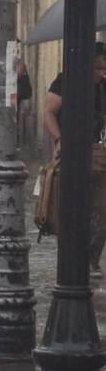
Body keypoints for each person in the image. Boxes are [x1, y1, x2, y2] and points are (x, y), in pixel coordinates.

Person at [42, 43, 106, 275]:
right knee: (70, 206)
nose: (102, 73)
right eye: (98, 68)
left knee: (102, 207)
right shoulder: (65, 81)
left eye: (104, 68)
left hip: (100, 150)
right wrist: (60, 139)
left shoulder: (103, 86)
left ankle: (91, 258)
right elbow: (48, 111)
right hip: (71, 150)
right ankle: (70, 256)